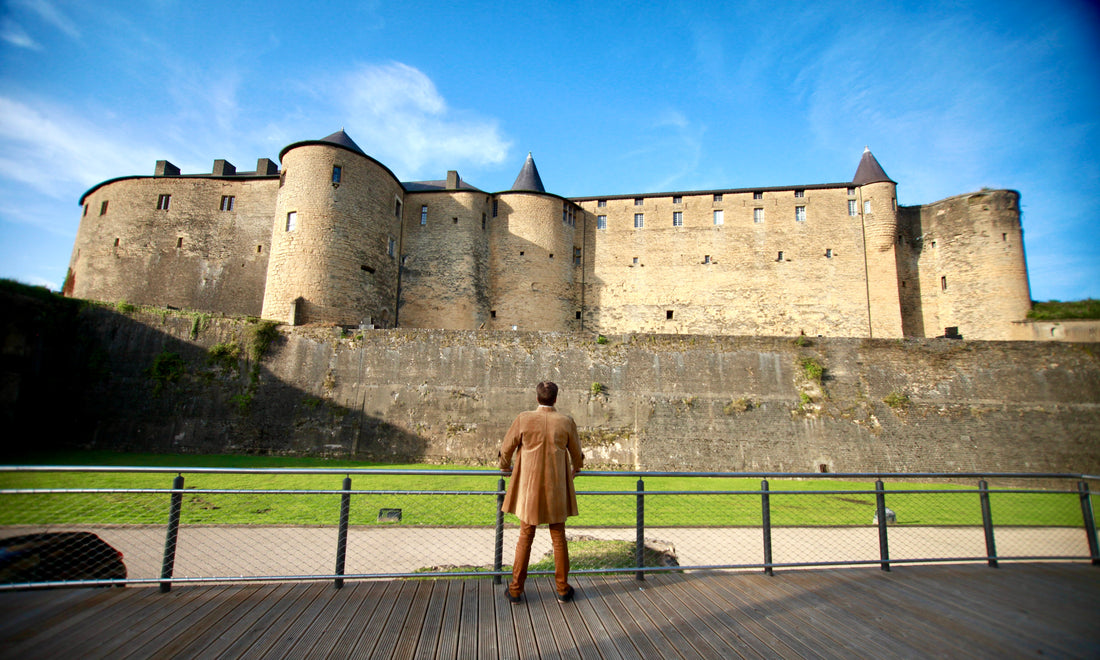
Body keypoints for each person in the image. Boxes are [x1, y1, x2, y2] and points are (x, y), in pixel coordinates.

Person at [499, 381, 584, 603]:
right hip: (556, 488)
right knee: (558, 538)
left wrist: (504, 466)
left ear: (537, 398)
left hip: (530, 489)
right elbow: (577, 453)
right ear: (555, 399)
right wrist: (577, 467)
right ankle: (563, 589)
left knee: (525, 536)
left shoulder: (524, 419)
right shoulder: (566, 421)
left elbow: (507, 448)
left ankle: (516, 589)